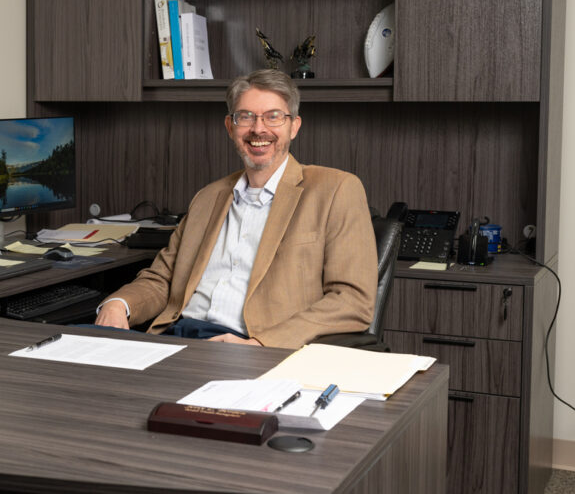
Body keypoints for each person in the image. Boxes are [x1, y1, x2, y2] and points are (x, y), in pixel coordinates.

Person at [94, 69, 377, 349]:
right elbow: (162, 279)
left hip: (249, 345)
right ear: (231, 127)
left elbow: (352, 300)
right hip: (175, 339)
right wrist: (120, 304)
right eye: (246, 117)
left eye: (273, 116)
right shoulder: (208, 197)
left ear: (294, 126)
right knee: (62, 352)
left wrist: (260, 343)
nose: (258, 129)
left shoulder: (336, 190)